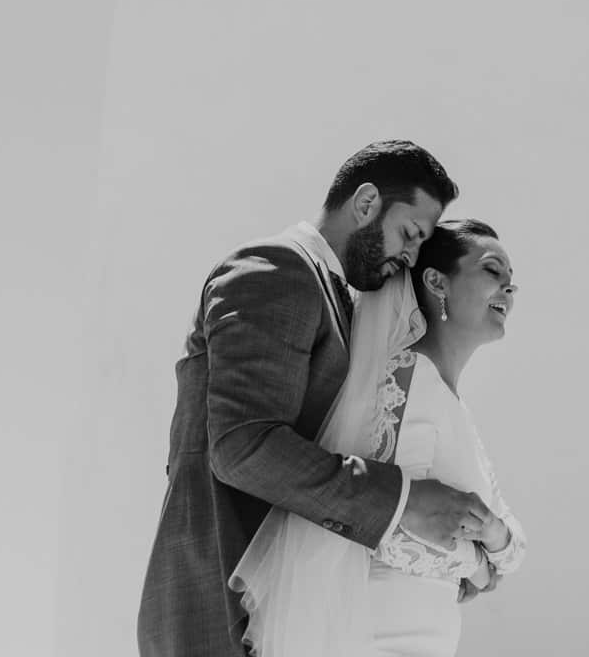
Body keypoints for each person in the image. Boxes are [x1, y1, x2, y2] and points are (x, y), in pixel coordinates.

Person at [138, 140, 501, 657]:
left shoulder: (342, 301)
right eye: (410, 234)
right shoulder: (275, 270)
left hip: (281, 614)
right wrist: (401, 502)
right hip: (219, 602)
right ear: (367, 202)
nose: (411, 258)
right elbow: (244, 447)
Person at [232, 219, 526, 657]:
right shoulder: (400, 382)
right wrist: (478, 563)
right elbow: (371, 524)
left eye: (512, 281)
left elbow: (513, 546)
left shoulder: (456, 407)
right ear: (436, 282)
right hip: (378, 631)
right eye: (491, 271)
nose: (509, 288)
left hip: (427, 636)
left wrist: (496, 540)